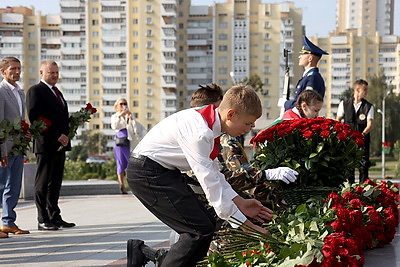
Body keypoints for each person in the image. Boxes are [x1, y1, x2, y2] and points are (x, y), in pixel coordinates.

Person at [127, 85, 273, 267]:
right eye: (248, 123)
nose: (251, 128)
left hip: (162, 171)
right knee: (196, 231)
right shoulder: (200, 132)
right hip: (146, 173)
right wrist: (249, 228)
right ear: (231, 114)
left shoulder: (211, 124)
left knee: (204, 228)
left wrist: (240, 202)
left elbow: (215, 174)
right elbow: (211, 188)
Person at [26, 60, 75, 231]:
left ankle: (54, 216)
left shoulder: (57, 92)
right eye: (50, 72)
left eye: (56, 72)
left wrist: (69, 132)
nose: (54, 75)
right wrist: (56, 135)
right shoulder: (36, 91)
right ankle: (42, 218)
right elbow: (36, 118)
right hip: (45, 145)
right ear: (41, 73)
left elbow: (59, 117)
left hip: (60, 146)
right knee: (43, 183)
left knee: (55, 183)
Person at [0, 57, 30, 238]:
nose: (17, 72)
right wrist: (2, 150)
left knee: (14, 186)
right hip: (5, 148)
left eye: (19, 68)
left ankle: (8, 222)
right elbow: (0, 123)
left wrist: (26, 132)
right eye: (13, 69)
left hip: (18, 147)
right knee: (1, 186)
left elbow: (19, 120)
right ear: (3, 71)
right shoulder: (1, 92)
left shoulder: (20, 93)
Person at [336, 79, 374, 183]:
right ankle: (350, 188)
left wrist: (362, 135)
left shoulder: (368, 106)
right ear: (357, 90)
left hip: (363, 140)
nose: (366, 92)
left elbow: (370, 124)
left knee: (363, 165)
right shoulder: (344, 104)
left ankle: (363, 189)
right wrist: (341, 133)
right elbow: (338, 120)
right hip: (348, 140)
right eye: (364, 90)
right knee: (349, 166)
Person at [111, 97, 147, 194]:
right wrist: (120, 116)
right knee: (120, 163)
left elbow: (135, 129)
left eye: (125, 103)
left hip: (129, 140)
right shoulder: (115, 116)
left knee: (130, 163)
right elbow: (114, 126)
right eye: (121, 104)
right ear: (117, 106)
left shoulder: (129, 115)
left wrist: (130, 118)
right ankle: (122, 185)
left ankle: (133, 185)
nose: (123, 106)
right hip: (119, 141)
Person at [284, 36, 328, 111]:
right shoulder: (308, 77)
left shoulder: (313, 78)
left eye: (303, 53)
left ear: (310, 58)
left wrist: (286, 104)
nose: (299, 56)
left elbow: (306, 104)